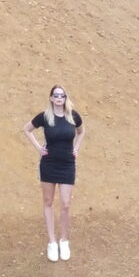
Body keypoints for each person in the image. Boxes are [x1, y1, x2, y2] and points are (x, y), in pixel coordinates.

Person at [21, 86, 85, 261]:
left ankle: (64, 241)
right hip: (49, 164)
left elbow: (81, 131)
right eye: (55, 95)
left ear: (65, 98)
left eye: (62, 95)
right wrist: (38, 148)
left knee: (65, 204)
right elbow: (27, 129)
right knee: (48, 202)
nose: (59, 98)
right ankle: (52, 242)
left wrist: (76, 148)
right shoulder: (45, 117)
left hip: (67, 164)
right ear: (51, 98)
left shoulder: (73, 116)